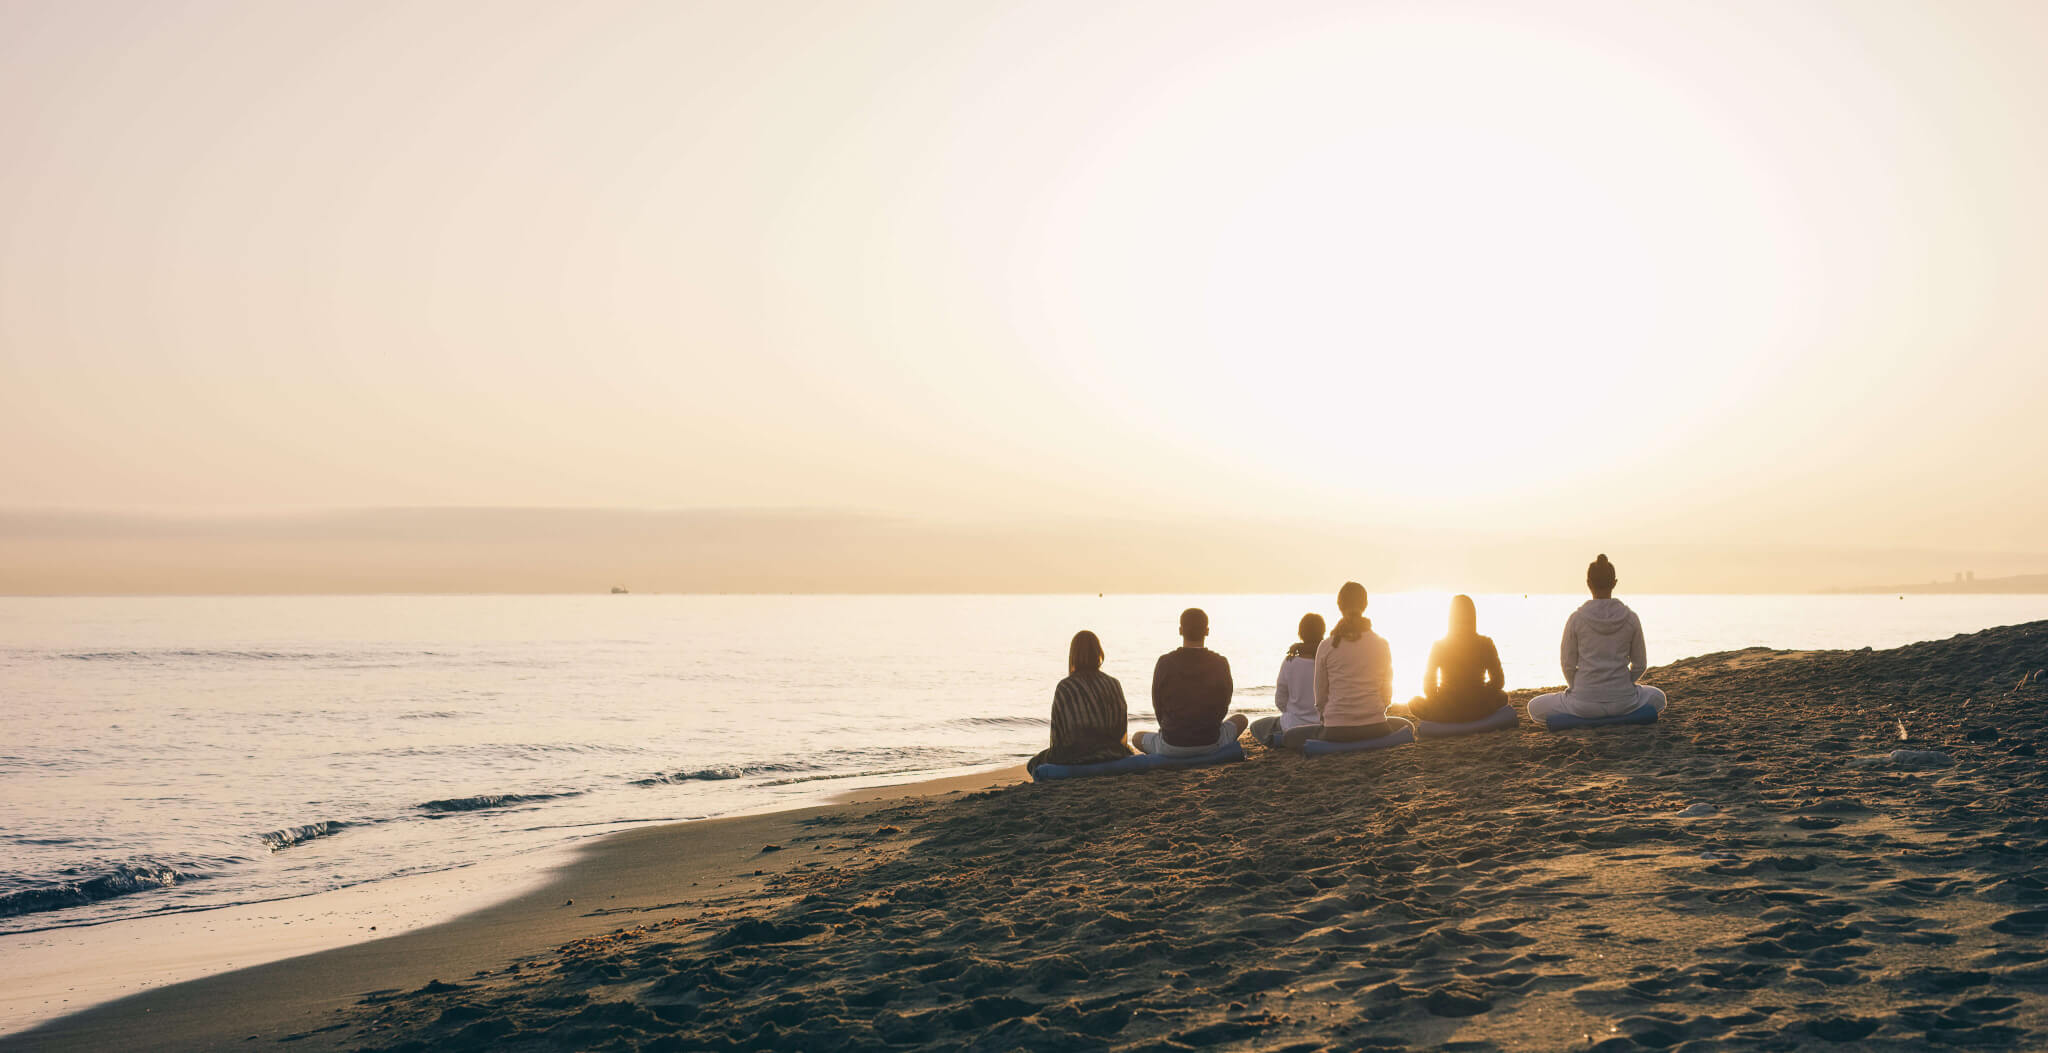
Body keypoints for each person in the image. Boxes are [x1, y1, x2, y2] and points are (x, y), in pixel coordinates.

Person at [1526, 554, 1668, 724]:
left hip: (1583, 705)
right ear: (1614, 583)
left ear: (1588, 583)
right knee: (1659, 697)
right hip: (1624, 702)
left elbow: (1567, 665)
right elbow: (1640, 665)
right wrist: (1622, 686)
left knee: (1534, 706)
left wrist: (1577, 688)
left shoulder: (1576, 619)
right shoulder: (1631, 618)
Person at [1130, 608, 1248, 756]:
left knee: (1136, 737)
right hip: (1211, 742)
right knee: (1241, 719)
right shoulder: (1220, 662)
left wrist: (1172, 729)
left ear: (1180, 630)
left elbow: (1157, 704)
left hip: (1171, 744)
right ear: (1207, 631)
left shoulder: (1165, 662)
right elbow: (1224, 703)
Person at [1026, 631, 1135, 775]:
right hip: (1112, 752)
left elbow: (1057, 735)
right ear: (1099, 653)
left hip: (1075, 756)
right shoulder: (1113, 683)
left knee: (1032, 764)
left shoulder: (1065, 687)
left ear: (1073, 656)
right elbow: (1121, 728)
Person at [1390, 595, 1511, 724]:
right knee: (1502, 697)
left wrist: (1440, 700)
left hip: (1447, 709)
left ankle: (1443, 715)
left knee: (1414, 702)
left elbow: (1428, 685)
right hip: (1478, 707)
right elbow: (1498, 681)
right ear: (1473, 617)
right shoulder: (1486, 643)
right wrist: (1482, 695)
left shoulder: (1440, 645)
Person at [1310, 582, 1402, 741]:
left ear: (1339, 605)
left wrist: (1329, 718)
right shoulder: (1382, 644)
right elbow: (1387, 694)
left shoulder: (1326, 646)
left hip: (1336, 730)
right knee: (1405, 724)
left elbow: (1320, 697)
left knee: (1293, 735)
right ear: (1365, 604)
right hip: (1376, 727)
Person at [1249, 614, 1324, 749]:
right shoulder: (1328, 661)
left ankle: (1284, 740)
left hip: (1293, 725)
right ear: (1323, 633)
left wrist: (1292, 712)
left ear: (1300, 634)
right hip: (1323, 724)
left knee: (1256, 726)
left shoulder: (1290, 662)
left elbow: (1280, 700)